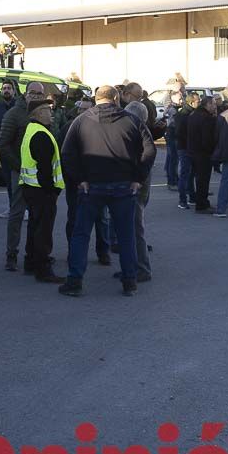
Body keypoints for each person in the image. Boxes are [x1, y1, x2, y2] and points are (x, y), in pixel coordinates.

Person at [58, 85, 156, 297]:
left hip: (92, 186)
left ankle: (75, 280)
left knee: (81, 234)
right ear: (116, 98)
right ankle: (130, 281)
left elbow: (66, 153)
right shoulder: (132, 121)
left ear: (96, 98)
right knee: (126, 234)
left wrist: (79, 179)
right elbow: (150, 149)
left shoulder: (81, 120)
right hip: (123, 186)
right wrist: (138, 178)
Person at [0, 81, 48, 270]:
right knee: (17, 214)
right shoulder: (14, 114)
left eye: (40, 93)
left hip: (39, 172)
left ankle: (34, 255)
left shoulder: (44, 113)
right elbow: (3, 144)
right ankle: (11, 254)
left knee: (38, 215)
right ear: (25, 93)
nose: (36, 96)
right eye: (33, 92)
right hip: (19, 172)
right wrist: (19, 166)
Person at [19, 98, 66, 283]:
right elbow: (44, 169)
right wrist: (52, 191)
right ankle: (43, 268)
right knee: (43, 231)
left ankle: (31, 261)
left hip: (31, 188)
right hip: (41, 191)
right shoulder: (41, 134)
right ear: (37, 113)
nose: (51, 112)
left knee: (34, 226)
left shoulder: (32, 130)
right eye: (47, 109)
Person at [60, 99, 110, 261]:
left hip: (98, 181)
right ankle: (73, 253)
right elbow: (64, 156)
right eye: (82, 109)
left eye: (88, 110)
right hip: (76, 182)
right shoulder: (68, 128)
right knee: (74, 218)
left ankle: (103, 252)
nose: (85, 113)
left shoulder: (103, 129)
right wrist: (73, 178)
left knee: (101, 218)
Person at [123, 100, 156, 282]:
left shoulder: (138, 133)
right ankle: (134, 266)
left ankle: (142, 269)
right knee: (134, 228)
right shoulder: (143, 131)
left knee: (136, 229)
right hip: (141, 185)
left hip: (136, 187)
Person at [186, 95, 218, 212]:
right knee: (203, 180)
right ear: (207, 104)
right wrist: (212, 150)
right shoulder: (206, 118)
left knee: (198, 179)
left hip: (193, 151)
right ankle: (202, 204)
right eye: (213, 104)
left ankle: (201, 201)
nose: (215, 107)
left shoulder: (193, 115)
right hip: (203, 153)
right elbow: (207, 139)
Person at [0, 80, 17, 187]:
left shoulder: (18, 107)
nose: (6, 90)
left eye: (9, 88)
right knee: (7, 179)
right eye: (4, 88)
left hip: (16, 147)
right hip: (2, 147)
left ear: (13, 91)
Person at [174, 93, 198, 210]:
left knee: (191, 173)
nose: (199, 103)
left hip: (191, 147)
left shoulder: (192, 113)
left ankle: (192, 196)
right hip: (184, 148)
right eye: (198, 101)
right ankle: (182, 200)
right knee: (185, 174)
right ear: (191, 102)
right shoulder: (183, 115)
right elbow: (179, 133)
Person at [164, 90, 182, 190]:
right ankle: (172, 181)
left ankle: (173, 179)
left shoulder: (173, 108)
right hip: (173, 134)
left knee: (173, 159)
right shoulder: (173, 109)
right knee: (173, 159)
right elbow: (172, 123)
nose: (181, 100)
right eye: (180, 98)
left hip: (173, 134)